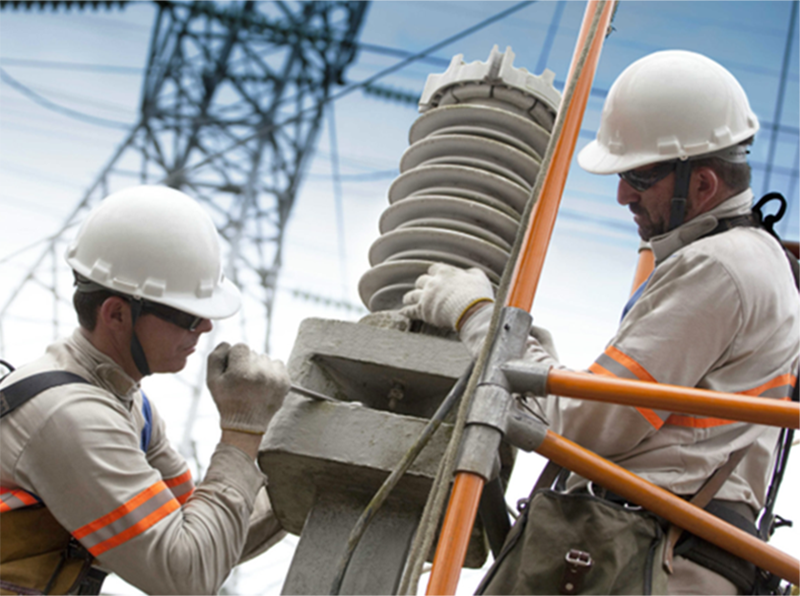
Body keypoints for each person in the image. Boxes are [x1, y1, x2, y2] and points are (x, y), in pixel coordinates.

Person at [401, 50, 800, 595]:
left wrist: (476, 317)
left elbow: (591, 424)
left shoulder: (719, 267)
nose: (622, 195)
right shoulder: (750, 261)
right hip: (665, 550)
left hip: (650, 556)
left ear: (702, 185)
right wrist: (533, 350)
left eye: (639, 175)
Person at [0, 185, 291, 596]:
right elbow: (186, 575)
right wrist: (242, 432)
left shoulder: (127, 403)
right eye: (188, 316)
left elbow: (206, 536)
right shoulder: (70, 416)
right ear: (117, 313)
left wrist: (299, 470)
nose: (206, 327)